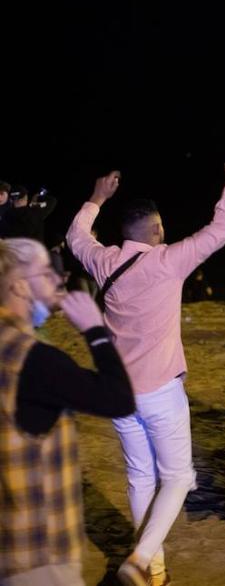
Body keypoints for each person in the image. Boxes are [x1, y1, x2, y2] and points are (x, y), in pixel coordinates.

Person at [68, 154, 225, 585]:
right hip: (160, 392)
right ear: (156, 229)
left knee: (139, 476)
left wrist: (96, 197)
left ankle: (155, 569)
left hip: (118, 392)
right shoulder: (167, 261)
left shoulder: (104, 261)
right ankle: (140, 559)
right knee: (178, 477)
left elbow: (76, 236)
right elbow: (222, 229)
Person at [0, 240, 135, 586]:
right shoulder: (35, 360)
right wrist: (95, 330)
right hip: (37, 553)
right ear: (18, 285)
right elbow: (118, 399)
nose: (58, 279)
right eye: (46, 273)